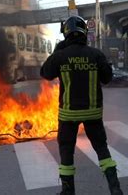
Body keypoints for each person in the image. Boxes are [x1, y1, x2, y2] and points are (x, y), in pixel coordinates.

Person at [40, 16, 122, 195]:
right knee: (101, 148)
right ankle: (115, 188)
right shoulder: (96, 54)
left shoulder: (61, 56)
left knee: (66, 150)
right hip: (93, 113)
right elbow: (107, 79)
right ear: (85, 32)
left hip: (68, 114)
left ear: (66, 34)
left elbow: (45, 73)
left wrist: (57, 51)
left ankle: (68, 191)